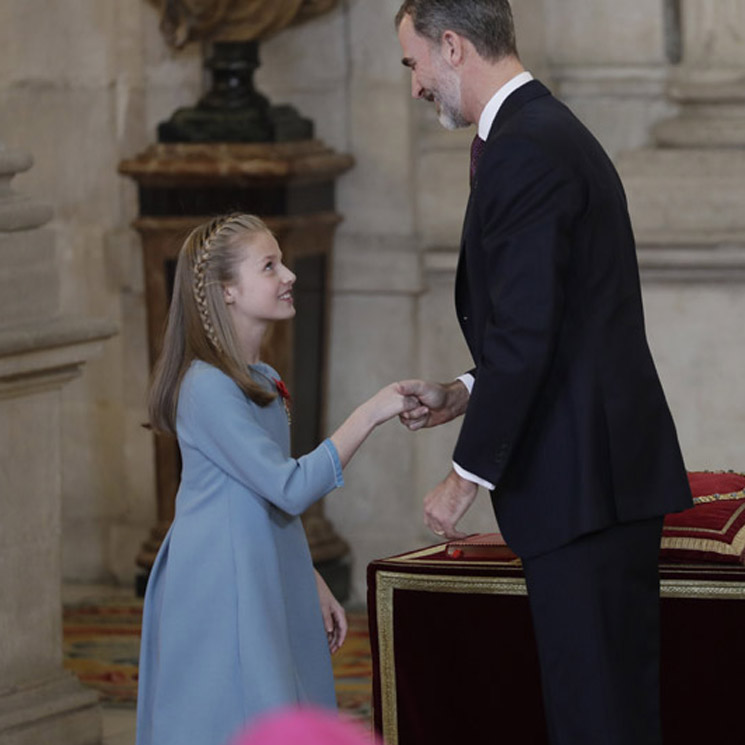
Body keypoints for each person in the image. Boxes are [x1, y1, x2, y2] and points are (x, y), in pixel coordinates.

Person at [394, 2, 693, 744]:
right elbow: (550, 323)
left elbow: (529, 333)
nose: (415, 86)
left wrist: (465, 474)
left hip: (584, 487)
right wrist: (463, 391)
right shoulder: (534, 133)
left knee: (598, 720)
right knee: (602, 712)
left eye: (413, 63)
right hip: (591, 484)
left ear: (453, 46)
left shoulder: (527, 146)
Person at [136, 214, 415, 745]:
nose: (289, 274)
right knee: (240, 717)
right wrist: (371, 411)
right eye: (269, 266)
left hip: (260, 564)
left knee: (284, 706)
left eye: (282, 261)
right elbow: (289, 486)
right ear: (228, 292)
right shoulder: (206, 387)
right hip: (220, 580)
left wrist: (307, 578)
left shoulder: (263, 379)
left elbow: (270, 499)